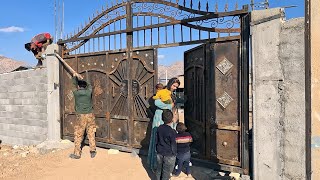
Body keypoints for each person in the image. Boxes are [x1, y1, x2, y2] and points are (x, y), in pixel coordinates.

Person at [147, 78, 180, 172]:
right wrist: (169, 106)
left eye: (176, 87)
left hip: (170, 118)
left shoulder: (172, 94)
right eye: (174, 86)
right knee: (158, 138)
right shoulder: (162, 92)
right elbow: (157, 102)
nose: (174, 88)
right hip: (160, 117)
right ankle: (155, 164)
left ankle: (167, 165)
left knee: (168, 139)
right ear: (170, 84)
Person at [69, 71, 97, 159]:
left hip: (80, 116)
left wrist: (74, 77)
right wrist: (82, 78)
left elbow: (73, 85)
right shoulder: (89, 92)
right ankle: (93, 150)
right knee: (91, 132)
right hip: (90, 115)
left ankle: (77, 153)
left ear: (78, 86)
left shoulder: (76, 93)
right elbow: (90, 85)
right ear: (85, 86)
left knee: (78, 134)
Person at [155, 109, 177, 180]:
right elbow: (173, 145)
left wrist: (157, 149)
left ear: (162, 118)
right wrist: (174, 153)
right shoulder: (172, 132)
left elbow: (157, 140)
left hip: (159, 152)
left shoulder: (159, 128)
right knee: (166, 172)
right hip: (168, 154)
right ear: (172, 119)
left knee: (159, 170)